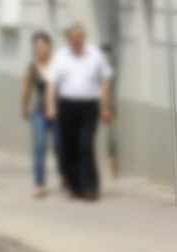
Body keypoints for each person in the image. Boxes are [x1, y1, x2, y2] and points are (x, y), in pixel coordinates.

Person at [45, 24, 114, 200]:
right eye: (73, 38)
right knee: (70, 145)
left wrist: (106, 106)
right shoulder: (61, 56)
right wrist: (51, 106)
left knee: (86, 144)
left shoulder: (95, 55)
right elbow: (52, 83)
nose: (76, 41)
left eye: (79, 38)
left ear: (83, 38)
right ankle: (75, 186)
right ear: (68, 39)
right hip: (67, 105)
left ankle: (90, 186)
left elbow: (104, 81)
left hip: (89, 106)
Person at [22, 31, 60, 198]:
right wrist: (24, 107)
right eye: (36, 46)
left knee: (60, 147)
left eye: (42, 46)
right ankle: (39, 183)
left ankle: (65, 176)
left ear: (49, 46)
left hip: (59, 112)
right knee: (40, 146)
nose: (39, 49)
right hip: (39, 112)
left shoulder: (58, 65)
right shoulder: (31, 69)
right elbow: (27, 90)